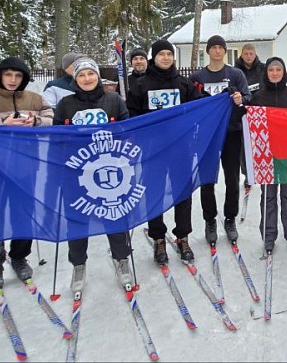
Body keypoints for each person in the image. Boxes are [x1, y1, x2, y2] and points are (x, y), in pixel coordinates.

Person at [0, 56, 54, 290]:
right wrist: (1, 122)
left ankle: (19, 255)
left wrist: (35, 121)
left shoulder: (35, 99)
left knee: (24, 212)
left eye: (18, 76)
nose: (13, 80)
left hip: (26, 166)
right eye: (8, 75)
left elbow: (50, 119)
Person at [54, 58, 133, 291]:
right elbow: (57, 135)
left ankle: (122, 259)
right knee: (77, 217)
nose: (87, 78)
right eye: (81, 75)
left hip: (109, 170)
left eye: (91, 73)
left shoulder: (114, 99)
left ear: (97, 76)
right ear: (75, 79)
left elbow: (127, 130)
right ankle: (78, 264)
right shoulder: (66, 103)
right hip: (77, 170)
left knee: (115, 214)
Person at [127, 39, 201, 264]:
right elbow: (132, 115)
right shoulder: (141, 85)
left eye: (169, 54)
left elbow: (201, 105)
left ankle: (183, 236)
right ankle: (158, 237)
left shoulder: (184, 84)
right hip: (153, 150)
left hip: (180, 148)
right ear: (154, 58)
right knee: (154, 193)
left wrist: (227, 96)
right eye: (162, 54)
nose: (166, 58)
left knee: (182, 193)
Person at [189, 35, 251, 246]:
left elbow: (247, 98)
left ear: (225, 51)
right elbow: (189, 104)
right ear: (208, 51)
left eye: (220, 48)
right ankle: (210, 220)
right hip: (206, 134)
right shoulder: (198, 76)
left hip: (231, 132)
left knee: (232, 178)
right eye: (213, 47)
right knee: (207, 179)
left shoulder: (235, 74)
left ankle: (230, 218)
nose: (217, 51)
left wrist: (240, 99)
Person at [252, 58, 287, 254]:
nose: (274, 73)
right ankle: (268, 234)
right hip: (265, 153)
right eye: (271, 69)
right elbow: (248, 119)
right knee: (269, 196)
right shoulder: (258, 96)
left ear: (283, 72)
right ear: (266, 73)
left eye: (278, 69)